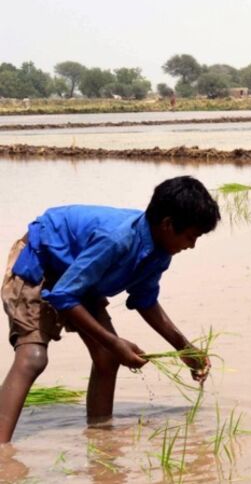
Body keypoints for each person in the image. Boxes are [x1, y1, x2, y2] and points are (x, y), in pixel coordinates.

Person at [0, 176, 220, 443]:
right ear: (167, 225)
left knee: (106, 358)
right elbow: (63, 296)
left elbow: (145, 300)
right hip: (41, 260)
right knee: (33, 357)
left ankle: (100, 440)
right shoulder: (116, 239)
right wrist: (115, 342)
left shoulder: (160, 253)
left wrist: (184, 348)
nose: (192, 245)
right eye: (190, 236)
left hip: (83, 275)